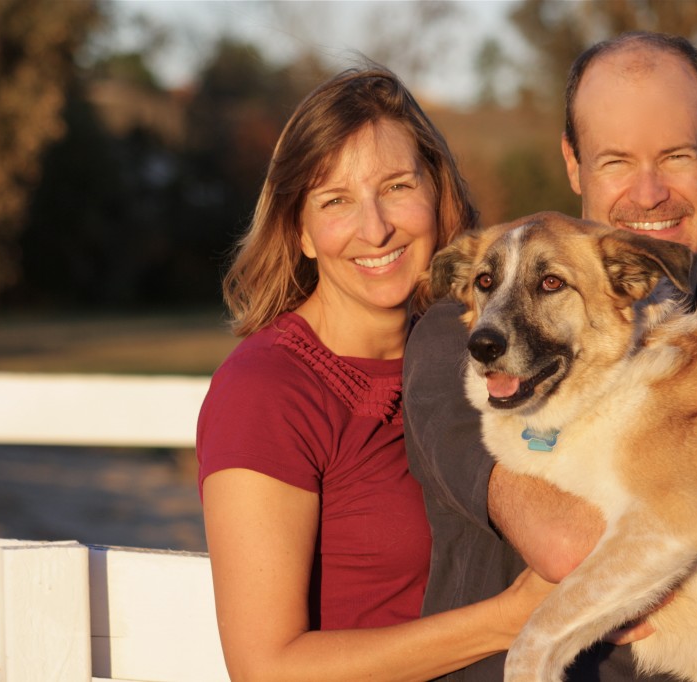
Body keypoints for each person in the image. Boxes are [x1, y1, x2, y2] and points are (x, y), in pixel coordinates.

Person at [404, 31, 697, 681]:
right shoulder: (458, 346)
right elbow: (570, 542)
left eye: (677, 154)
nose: (648, 193)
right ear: (573, 164)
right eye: (616, 160)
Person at [196, 65, 557, 681]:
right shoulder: (266, 391)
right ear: (301, 232)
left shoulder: (480, 357)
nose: (376, 228)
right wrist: (511, 617)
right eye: (336, 201)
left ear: (438, 195)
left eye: (395, 187)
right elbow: (266, 669)